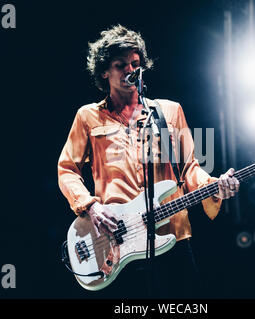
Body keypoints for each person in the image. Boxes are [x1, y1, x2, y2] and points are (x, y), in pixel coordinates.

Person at [57, 24, 239, 298]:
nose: (131, 70)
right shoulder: (88, 116)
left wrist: (214, 185)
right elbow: (67, 170)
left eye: (135, 63)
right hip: (117, 241)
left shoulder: (169, 111)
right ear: (104, 71)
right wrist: (91, 207)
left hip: (172, 236)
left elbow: (190, 167)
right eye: (121, 65)